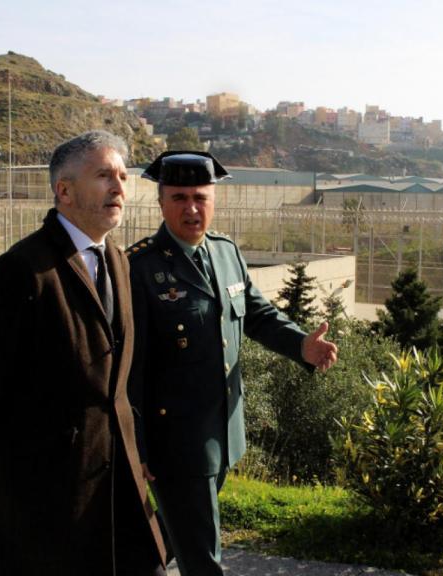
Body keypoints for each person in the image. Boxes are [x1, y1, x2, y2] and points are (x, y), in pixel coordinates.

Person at [0, 131, 167, 576]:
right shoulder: (23, 271)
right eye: (104, 175)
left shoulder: (119, 261)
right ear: (64, 190)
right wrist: (19, 466)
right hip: (45, 492)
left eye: (123, 177)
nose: (119, 187)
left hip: (118, 485)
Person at [127, 151, 338, 576]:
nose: (191, 208)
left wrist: (302, 346)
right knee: (204, 557)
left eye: (200, 197)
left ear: (213, 200)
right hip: (178, 444)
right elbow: (132, 366)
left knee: (171, 540)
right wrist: (140, 446)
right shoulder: (140, 267)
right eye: (179, 197)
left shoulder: (225, 253)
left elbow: (258, 315)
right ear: (161, 202)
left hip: (223, 432)